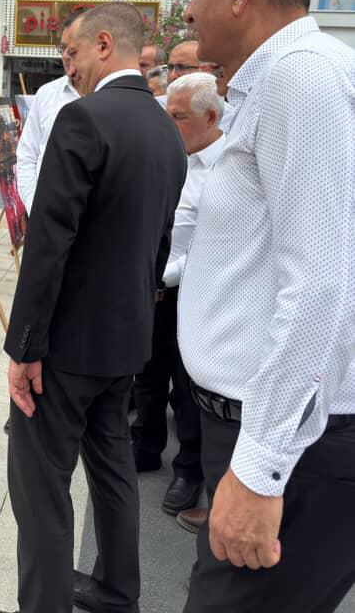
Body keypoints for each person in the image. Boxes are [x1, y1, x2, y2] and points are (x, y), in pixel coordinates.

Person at [0, 2, 187, 613]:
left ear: (102, 44)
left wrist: (24, 348)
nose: (71, 68)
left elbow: (49, 241)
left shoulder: (83, 119)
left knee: (40, 485)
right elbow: (159, 243)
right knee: (113, 469)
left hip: (67, 346)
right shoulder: (166, 130)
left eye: (72, 52)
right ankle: (119, 593)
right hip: (126, 339)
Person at [179, 0, 355, 613]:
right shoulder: (278, 82)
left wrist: (260, 471)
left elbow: (319, 284)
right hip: (277, 436)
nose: (188, 10)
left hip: (296, 447)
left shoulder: (300, 80)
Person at [131, 73, 225, 519]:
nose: (171, 125)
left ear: (211, 116)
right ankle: (146, 444)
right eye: (167, 115)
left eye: (180, 117)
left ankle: (189, 468)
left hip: (191, 290)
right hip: (153, 286)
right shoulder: (168, 156)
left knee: (187, 387)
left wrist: (163, 277)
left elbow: (214, 243)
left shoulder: (228, 168)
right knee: (148, 373)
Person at [15, 11, 87, 215]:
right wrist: (33, 204)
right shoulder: (47, 94)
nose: (66, 55)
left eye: (73, 49)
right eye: (62, 48)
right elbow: (27, 153)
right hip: (45, 215)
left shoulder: (108, 96)